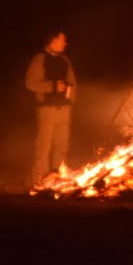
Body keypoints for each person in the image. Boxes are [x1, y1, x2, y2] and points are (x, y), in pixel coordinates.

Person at [25, 29, 76, 186]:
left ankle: (58, 180)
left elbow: (73, 83)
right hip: (47, 109)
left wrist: (70, 97)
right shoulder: (40, 59)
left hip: (63, 110)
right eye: (62, 40)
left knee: (62, 146)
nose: (65, 43)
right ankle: (39, 181)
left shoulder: (64, 61)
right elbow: (31, 83)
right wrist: (53, 86)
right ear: (53, 41)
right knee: (44, 146)